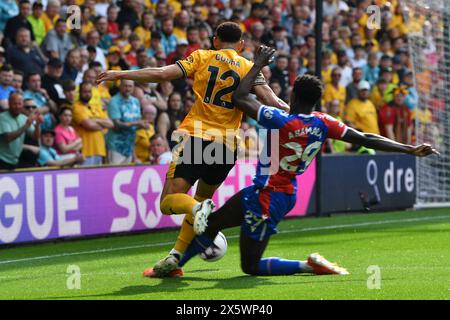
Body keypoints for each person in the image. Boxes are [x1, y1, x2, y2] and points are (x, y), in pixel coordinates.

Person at [150, 46, 439, 278]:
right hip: (274, 191)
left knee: (250, 267)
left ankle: (307, 266)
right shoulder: (325, 123)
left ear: (294, 95)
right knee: (212, 223)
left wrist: (258, 64)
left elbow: (240, 97)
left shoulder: (280, 120)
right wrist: (409, 148)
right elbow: (365, 137)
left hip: (268, 198)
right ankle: (174, 264)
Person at [97, 22, 288, 278]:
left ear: (215, 40)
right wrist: (303, 115)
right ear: (242, 44)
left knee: (169, 203)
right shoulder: (247, 67)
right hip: (227, 147)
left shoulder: (202, 56)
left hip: (197, 138)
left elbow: (162, 74)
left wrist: (121, 74)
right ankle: (176, 256)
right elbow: (271, 101)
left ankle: (197, 211)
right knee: (199, 198)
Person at [106, 79, 147, 164]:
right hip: (116, 146)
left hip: (130, 147)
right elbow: (116, 124)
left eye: (130, 86)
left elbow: (136, 122)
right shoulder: (114, 101)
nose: (127, 88)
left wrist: (142, 125)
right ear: (120, 87)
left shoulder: (135, 101)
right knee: (114, 174)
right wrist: (136, 123)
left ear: (133, 87)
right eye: (125, 86)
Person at [72, 81, 113, 166]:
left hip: (99, 149)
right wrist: (102, 125)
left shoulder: (96, 107)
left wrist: (95, 120)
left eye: (89, 92)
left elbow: (111, 124)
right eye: (84, 92)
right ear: (79, 92)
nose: (87, 94)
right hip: (85, 151)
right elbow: (89, 125)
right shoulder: (77, 107)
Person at [0, 92, 42, 170]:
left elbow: (35, 137)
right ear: (9, 103)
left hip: (14, 161)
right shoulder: (2, 118)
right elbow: (8, 138)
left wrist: (37, 125)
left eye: (19, 104)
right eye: (14, 104)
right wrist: (26, 125)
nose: (17, 106)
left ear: (22, 104)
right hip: (2, 159)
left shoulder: (23, 118)